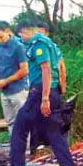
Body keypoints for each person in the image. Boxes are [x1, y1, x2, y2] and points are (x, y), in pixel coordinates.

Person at [5, 21, 80, 166]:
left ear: (26, 31)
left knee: (19, 130)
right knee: (54, 133)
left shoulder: (39, 44)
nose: (21, 38)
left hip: (40, 92)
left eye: (21, 35)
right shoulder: (49, 43)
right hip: (49, 91)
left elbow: (46, 70)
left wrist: (45, 98)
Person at [29, 22, 68, 156]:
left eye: (40, 32)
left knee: (45, 118)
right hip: (48, 87)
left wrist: (62, 86)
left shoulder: (44, 46)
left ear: (46, 33)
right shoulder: (52, 47)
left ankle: (43, 148)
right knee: (47, 119)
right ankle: (45, 148)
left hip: (46, 87)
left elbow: (61, 68)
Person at [0, 21, 29, 134]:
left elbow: (24, 70)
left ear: (8, 32)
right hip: (4, 91)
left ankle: (26, 148)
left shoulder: (18, 46)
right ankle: (15, 147)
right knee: (10, 121)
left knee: (23, 120)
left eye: (1, 37)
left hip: (18, 90)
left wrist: (5, 81)